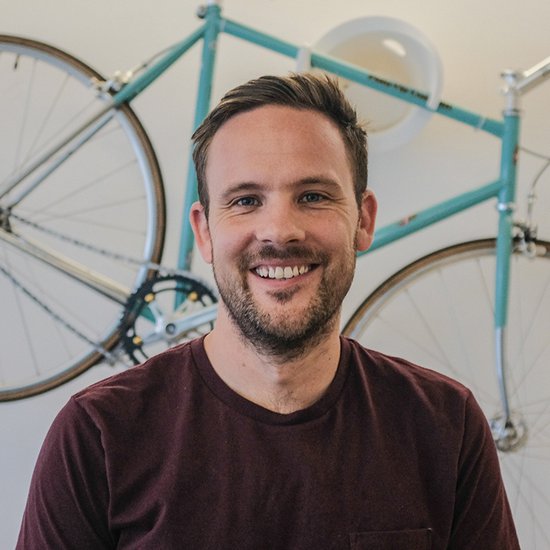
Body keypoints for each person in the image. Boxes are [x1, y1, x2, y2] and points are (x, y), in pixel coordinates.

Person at [16, 73, 519, 549]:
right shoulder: (98, 434)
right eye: (245, 200)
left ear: (363, 221)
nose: (280, 231)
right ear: (205, 232)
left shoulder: (446, 426)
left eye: (313, 196)